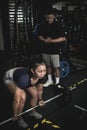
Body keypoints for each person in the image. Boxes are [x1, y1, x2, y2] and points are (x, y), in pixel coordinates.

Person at [3, 58, 47, 128]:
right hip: (10, 77)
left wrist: (40, 99)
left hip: (21, 73)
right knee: (22, 97)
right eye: (40, 71)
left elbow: (40, 89)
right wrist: (15, 114)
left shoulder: (43, 76)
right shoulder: (24, 79)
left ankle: (32, 112)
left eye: (44, 71)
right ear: (33, 70)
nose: (43, 74)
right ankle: (19, 119)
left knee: (35, 94)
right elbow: (16, 99)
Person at [36, 8, 66, 87]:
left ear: (54, 17)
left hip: (54, 50)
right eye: (48, 18)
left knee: (56, 67)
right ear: (46, 17)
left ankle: (57, 82)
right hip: (45, 49)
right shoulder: (43, 25)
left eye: (51, 18)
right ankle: (50, 81)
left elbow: (63, 38)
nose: (50, 19)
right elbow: (39, 35)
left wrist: (51, 41)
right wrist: (44, 40)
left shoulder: (58, 26)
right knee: (47, 66)